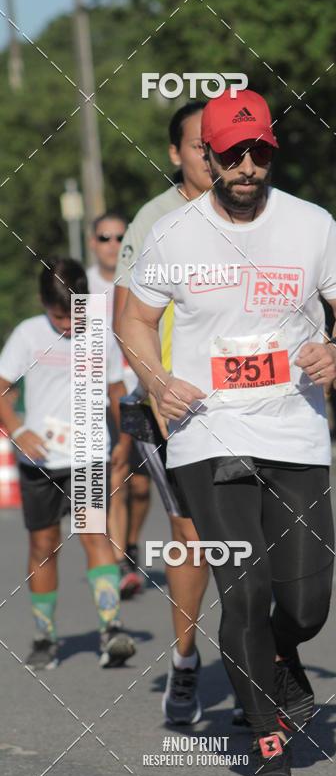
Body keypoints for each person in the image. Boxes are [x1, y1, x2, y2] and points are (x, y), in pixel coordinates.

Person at [119, 88, 336, 776]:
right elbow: (133, 320)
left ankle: (283, 655)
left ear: (272, 149)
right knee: (245, 586)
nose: (246, 166)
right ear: (207, 154)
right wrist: (156, 379)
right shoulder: (174, 234)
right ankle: (266, 741)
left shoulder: (311, 225)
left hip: (294, 430)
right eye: (231, 153)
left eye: (258, 151)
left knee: (305, 603)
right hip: (208, 433)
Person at [113, 101, 213, 725]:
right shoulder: (156, 220)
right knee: (194, 537)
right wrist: (157, 385)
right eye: (200, 144)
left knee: (266, 545)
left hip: (259, 406)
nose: (213, 153)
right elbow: (127, 321)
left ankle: (273, 664)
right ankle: (184, 660)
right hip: (174, 409)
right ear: (176, 153)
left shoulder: (267, 211)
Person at [0, 257, 137, 670]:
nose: (67, 325)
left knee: (94, 536)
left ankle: (111, 630)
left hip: (88, 455)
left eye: (74, 315)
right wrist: (18, 430)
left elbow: (118, 390)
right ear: (44, 303)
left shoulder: (99, 332)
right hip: (39, 460)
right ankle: (45, 637)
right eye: (59, 316)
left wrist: (124, 440)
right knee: (44, 546)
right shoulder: (27, 334)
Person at [89, 212, 152, 598]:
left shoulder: (145, 275)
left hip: (144, 391)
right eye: (104, 238)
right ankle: (116, 561)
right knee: (117, 480)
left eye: (119, 238)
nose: (112, 244)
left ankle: (129, 543)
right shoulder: (83, 287)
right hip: (104, 397)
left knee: (142, 487)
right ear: (93, 242)